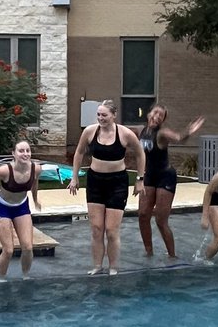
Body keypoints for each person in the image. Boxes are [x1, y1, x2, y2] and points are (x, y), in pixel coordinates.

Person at [68, 99, 146, 275]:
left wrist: (140, 179)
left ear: (113, 115)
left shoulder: (125, 134)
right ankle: (97, 265)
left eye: (104, 115)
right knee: (96, 229)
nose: (100, 118)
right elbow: (79, 152)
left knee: (111, 230)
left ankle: (113, 267)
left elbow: (140, 154)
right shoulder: (90, 131)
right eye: (98, 115)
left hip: (117, 183)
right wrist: (74, 177)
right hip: (95, 181)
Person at [137, 106, 206, 259]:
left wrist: (188, 130)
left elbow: (178, 137)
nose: (157, 116)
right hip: (149, 176)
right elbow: (121, 131)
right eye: (155, 112)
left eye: (161, 115)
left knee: (160, 220)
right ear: (148, 114)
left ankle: (172, 255)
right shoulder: (140, 131)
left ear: (163, 120)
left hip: (165, 177)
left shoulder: (162, 133)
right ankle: (149, 252)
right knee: (142, 215)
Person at [0, 140, 43, 281]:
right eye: (21, 151)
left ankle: (25, 276)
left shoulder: (36, 169)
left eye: (28, 150)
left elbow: (34, 183)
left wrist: (35, 200)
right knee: (8, 250)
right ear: (13, 154)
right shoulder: (3, 171)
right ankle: (0, 279)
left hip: (21, 206)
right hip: (2, 207)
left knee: (27, 247)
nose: (25, 154)